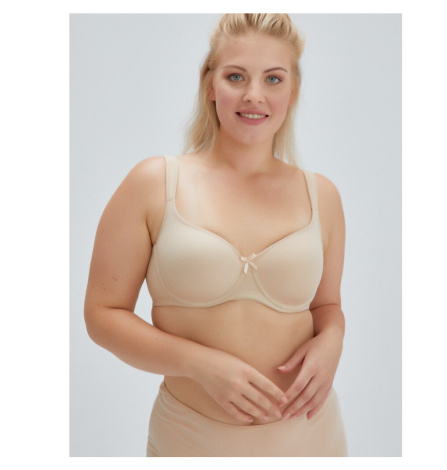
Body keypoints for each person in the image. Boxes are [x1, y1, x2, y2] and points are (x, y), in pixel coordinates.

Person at [84, 13, 347, 457]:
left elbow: (327, 307)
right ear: (210, 85)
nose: (254, 95)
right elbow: (102, 315)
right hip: (190, 439)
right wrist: (199, 364)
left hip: (311, 436)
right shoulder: (154, 184)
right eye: (236, 76)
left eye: (274, 78)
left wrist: (333, 341)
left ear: (293, 91)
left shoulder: (322, 195)